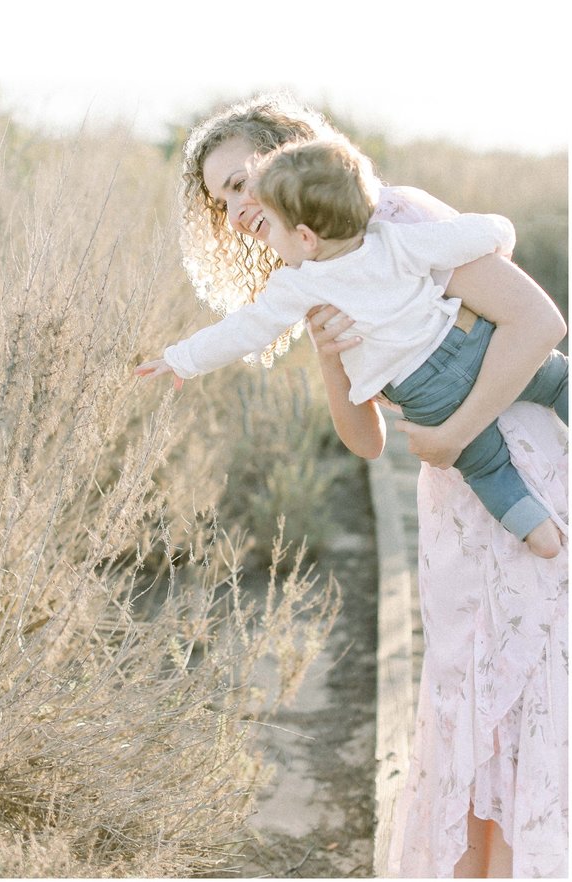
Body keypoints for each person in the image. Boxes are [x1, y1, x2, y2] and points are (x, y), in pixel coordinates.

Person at [156, 94, 568, 878]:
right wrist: (329, 354)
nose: (239, 208)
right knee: (473, 698)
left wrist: (450, 434)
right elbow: (366, 440)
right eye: (222, 201)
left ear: (291, 151)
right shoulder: (311, 273)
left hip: (522, 459)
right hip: (456, 508)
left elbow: (538, 321)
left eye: (242, 181)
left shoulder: (399, 220)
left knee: (537, 682)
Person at [136, 139, 567, 559]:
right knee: (559, 380)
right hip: (468, 346)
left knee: (488, 470)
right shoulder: (393, 241)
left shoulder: (298, 284)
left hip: (424, 399)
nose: (240, 222)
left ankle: (540, 536)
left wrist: (181, 359)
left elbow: (243, 330)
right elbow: (470, 233)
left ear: (305, 237)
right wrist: (502, 233)